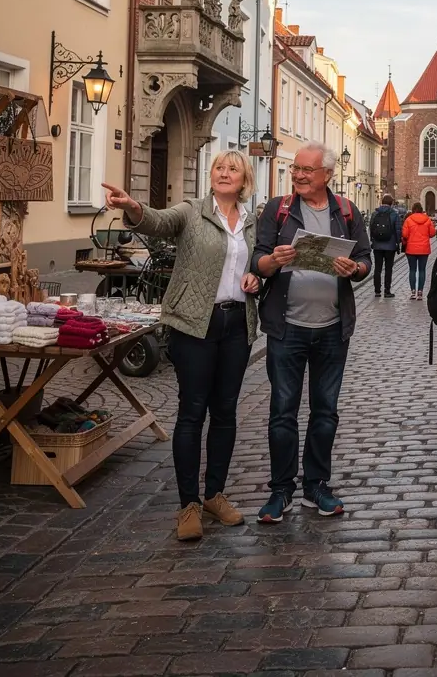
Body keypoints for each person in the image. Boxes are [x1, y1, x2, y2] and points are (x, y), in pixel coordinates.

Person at [101, 151, 260, 542]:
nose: (224, 173)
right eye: (219, 167)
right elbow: (158, 221)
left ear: (244, 181)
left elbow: (257, 266)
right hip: (194, 323)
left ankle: (215, 495)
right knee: (192, 412)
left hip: (237, 324)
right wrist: (134, 207)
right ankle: (188, 503)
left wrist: (257, 278)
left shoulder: (253, 223)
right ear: (211, 175)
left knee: (225, 413)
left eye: (233, 169)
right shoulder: (192, 211)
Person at [252, 142, 372, 522]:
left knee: (325, 412)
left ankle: (316, 485)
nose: (299, 175)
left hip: (332, 329)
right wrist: (273, 260)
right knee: (283, 412)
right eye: (295, 169)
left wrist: (355, 270)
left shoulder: (347, 212)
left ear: (328, 175)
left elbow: (365, 258)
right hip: (286, 328)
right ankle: (280, 490)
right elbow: (258, 258)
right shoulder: (278, 209)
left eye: (307, 170)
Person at [369, 194, 402, 298]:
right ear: (391, 203)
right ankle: (387, 291)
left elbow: (371, 227)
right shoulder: (394, 214)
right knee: (388, 269)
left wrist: (372, 240)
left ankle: (377, 290)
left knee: (377, 268)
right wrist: (398, 242)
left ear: (382, 202)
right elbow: (398, 230)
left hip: (377, 245)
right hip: (390, 245)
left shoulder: (375, 213)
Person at [402, 202, 435, 300]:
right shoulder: (427, 220)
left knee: (412, 270)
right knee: (422, 270)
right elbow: (432, 233)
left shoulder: (408, 220)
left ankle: (413, 291)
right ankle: (420, 291)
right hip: (424, 249)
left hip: (411, 249)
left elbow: (405, 234)